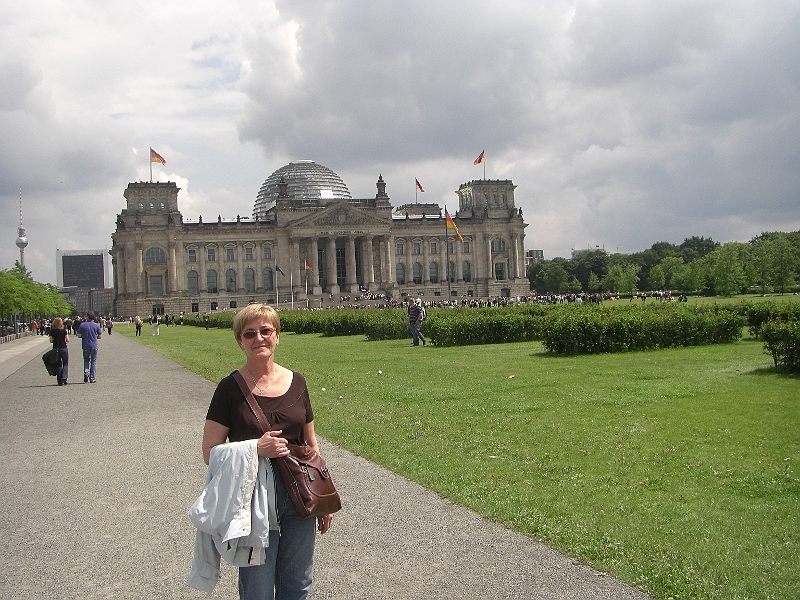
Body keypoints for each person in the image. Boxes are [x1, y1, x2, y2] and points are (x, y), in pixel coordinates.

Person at [201, 304, 333, 600]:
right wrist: (254, 448)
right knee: (258, 589)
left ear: (277, 337)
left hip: (299, 495)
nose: (258, 338)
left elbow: (311, 444)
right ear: (239, 342)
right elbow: (210, 451)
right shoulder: (229, 389)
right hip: (253, 500)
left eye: (265, 331)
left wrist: (321, 499)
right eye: (250, 333)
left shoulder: (297, 382)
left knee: (298, 583)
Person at [76, 311, 102, 383]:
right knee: (93, 362)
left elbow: (79, 335)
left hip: (85, 345)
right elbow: (100, 336)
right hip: (94, 346)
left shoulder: (82, 325)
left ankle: (86, 373)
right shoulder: (96, 325)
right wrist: (94, 336)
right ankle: (92, 378)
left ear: (87, 317)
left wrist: (84, 336)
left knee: (86, 361)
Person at [49, 317, 70, 386]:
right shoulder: (63, 331)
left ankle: (59, 380)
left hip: (56, 349)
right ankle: (64, 378)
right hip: (63, 348)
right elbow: (67, 340)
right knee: (65, 363)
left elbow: (51, 340)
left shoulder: (52, 331)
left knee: (58, 364)